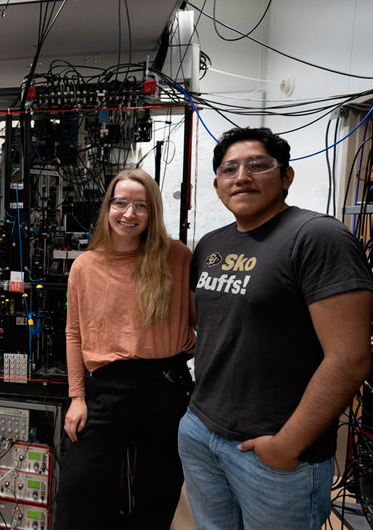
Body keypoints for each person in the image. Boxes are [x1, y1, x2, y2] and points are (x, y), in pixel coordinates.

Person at [179, 127, 373, 529]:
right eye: (229, 169)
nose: (242, 177)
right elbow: (211, 324)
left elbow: (350, 358)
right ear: (217, 185)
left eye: (258, 165)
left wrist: (286, 445)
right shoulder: (211, 245)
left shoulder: (318, 238)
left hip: (272, 451)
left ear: (286, 176)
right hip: (201, 431)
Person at [55, 169, 196, 529]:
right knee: (79, 491)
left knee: (158, 494)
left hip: (166, 386)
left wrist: (185, 344)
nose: (129, 214)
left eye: (140, 206)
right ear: (108, 208)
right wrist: (77, 397)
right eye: (120, 203)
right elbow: (74, 334)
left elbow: (203, 316)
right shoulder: (85, 266)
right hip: (107, 388)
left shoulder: (177, 258)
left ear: (153, 213)